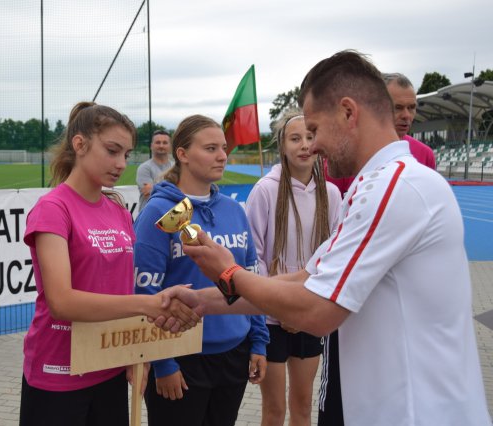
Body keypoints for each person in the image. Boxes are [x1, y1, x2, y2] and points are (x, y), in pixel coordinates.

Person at [161, 50, 491, 426]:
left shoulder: (394, 187)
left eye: (315, 130)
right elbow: (305, 278)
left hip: (414, 413)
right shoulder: (380, 185)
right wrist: (200, 301)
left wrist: (229, 273)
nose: (312, 146)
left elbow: (316, 311)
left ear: (349, 113)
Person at [18, 102, 199, 426]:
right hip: (59, 372)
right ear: (80, 144)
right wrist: (151, 303)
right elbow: (62, 301)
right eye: (112, 151)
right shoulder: (53, 209)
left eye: (127, 155)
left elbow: (120, 287)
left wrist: (133, 354)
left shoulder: (116, 210)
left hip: (108, 365)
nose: (120, 164)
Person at [317, 71, 438, 426]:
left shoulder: (423, 157)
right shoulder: (342, 158)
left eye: (411, 108)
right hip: (347, 281)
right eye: (397, 107)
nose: (405, 115)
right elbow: (335, 222)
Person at [133, 114, 269, 426]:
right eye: (210, 148)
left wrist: (258, 341)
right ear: (182, 154)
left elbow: (251, 279)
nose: (222, 155)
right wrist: (163, 363)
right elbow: (146, 292)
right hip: (181, 360)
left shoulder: (234, 210)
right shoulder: (161, 210)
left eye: (223, 148)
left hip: (235, 353)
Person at [245, 110, 341, 426]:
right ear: (282, 146)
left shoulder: (331, 193)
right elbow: (254, 256)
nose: (303, 145)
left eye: (310, 137)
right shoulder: (265, 190)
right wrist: (279, 304)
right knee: (273, 410)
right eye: (295, 138)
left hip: (310, 313)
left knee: (302, 406)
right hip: (271, 319)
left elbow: (334, 253)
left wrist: (304, 304)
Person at [136, 129, 174, 211]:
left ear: (170, 146)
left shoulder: (175, 167)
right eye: (158, 142)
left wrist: (155, 188)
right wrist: (173, 189)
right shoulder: (144, 168)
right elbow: (150, 195)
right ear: (151, 146)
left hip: (171, 217)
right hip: (148, 216)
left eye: (165, 143)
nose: (161, 145)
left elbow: (184, 193)